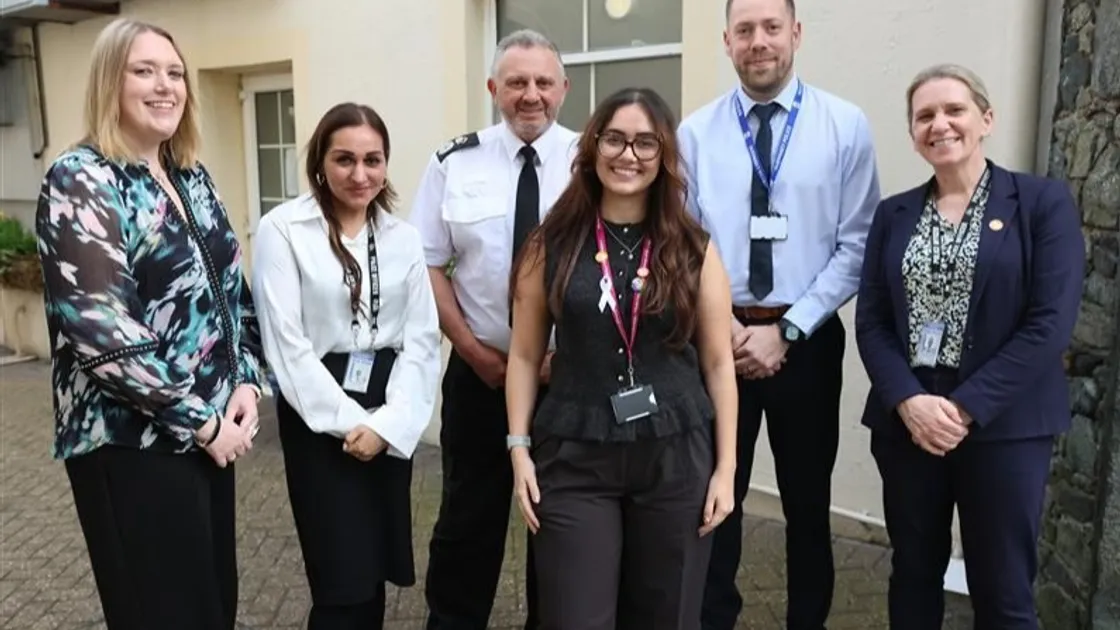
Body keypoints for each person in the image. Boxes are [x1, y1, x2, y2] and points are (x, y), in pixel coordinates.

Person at [34, 17, 265, 630]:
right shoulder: (82, 178)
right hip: (132, 446)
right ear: (112, 81)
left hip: (208, 439)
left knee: (212, 607)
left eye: (175, 73)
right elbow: (101, 332)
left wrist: (246, 382)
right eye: (144, 71)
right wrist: (205, 421)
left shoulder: (190, 174)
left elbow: (232, 291)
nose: (165, 86)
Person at [855, 63, 1085, 630]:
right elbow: (872, 322)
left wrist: (962, 408)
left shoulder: (1039, 204)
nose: (940, 124)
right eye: (924, 116)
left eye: (953, 110)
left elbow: (1049, 324)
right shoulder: (895, 214)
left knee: (1003, 589)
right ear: (913, 133)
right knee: (912, 576)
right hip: (908, 426)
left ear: (985, 118)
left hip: (1002, 425)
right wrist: (909, 401)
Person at [677, 0, 882, 628]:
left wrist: (787, 330)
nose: (758, 42)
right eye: (745, 30)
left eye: (771, 28)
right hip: (719, 339)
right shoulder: (694, 133)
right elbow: (684, 242)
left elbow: (858, 244)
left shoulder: (844, 126)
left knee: (806, 505)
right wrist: (730, 328)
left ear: (796, 34)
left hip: (808, 341)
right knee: (716, 499)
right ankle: (713, 618)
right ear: (726, 41)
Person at [505, 87, 738, 630]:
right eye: (614, 139)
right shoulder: (551, 244)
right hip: (574, 456)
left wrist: (726, 469)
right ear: (592, 148)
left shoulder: (693, 248)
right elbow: (522, 355)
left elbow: (719, 364)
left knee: (668, 614)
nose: (627, 155)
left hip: (676, 457)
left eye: (644, 143)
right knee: (575, 616)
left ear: (664, 157)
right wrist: (518, 449)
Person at [410, 28, 578, 630]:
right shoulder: (453, 161)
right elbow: (426, 261)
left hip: (567, 382)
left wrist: (575, 355)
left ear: (564, 87)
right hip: (481, 373)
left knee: (559, 527)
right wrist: (472, 349)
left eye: (542, 82)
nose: (529, 95)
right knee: (467, 522)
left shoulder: (594, 162)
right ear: (493, 89)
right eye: (515, 83)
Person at [251, 102, 441, 629]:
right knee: (340, 581)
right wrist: (348, 424)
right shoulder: (284, 229)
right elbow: (286, 344)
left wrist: (388, 425)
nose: (361, 175)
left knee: (375, 571)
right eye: (345, 159)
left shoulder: (402, 238)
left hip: (387, 407)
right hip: (319, 416)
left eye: (373, 160)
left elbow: (421, 342)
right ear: (320, 162)